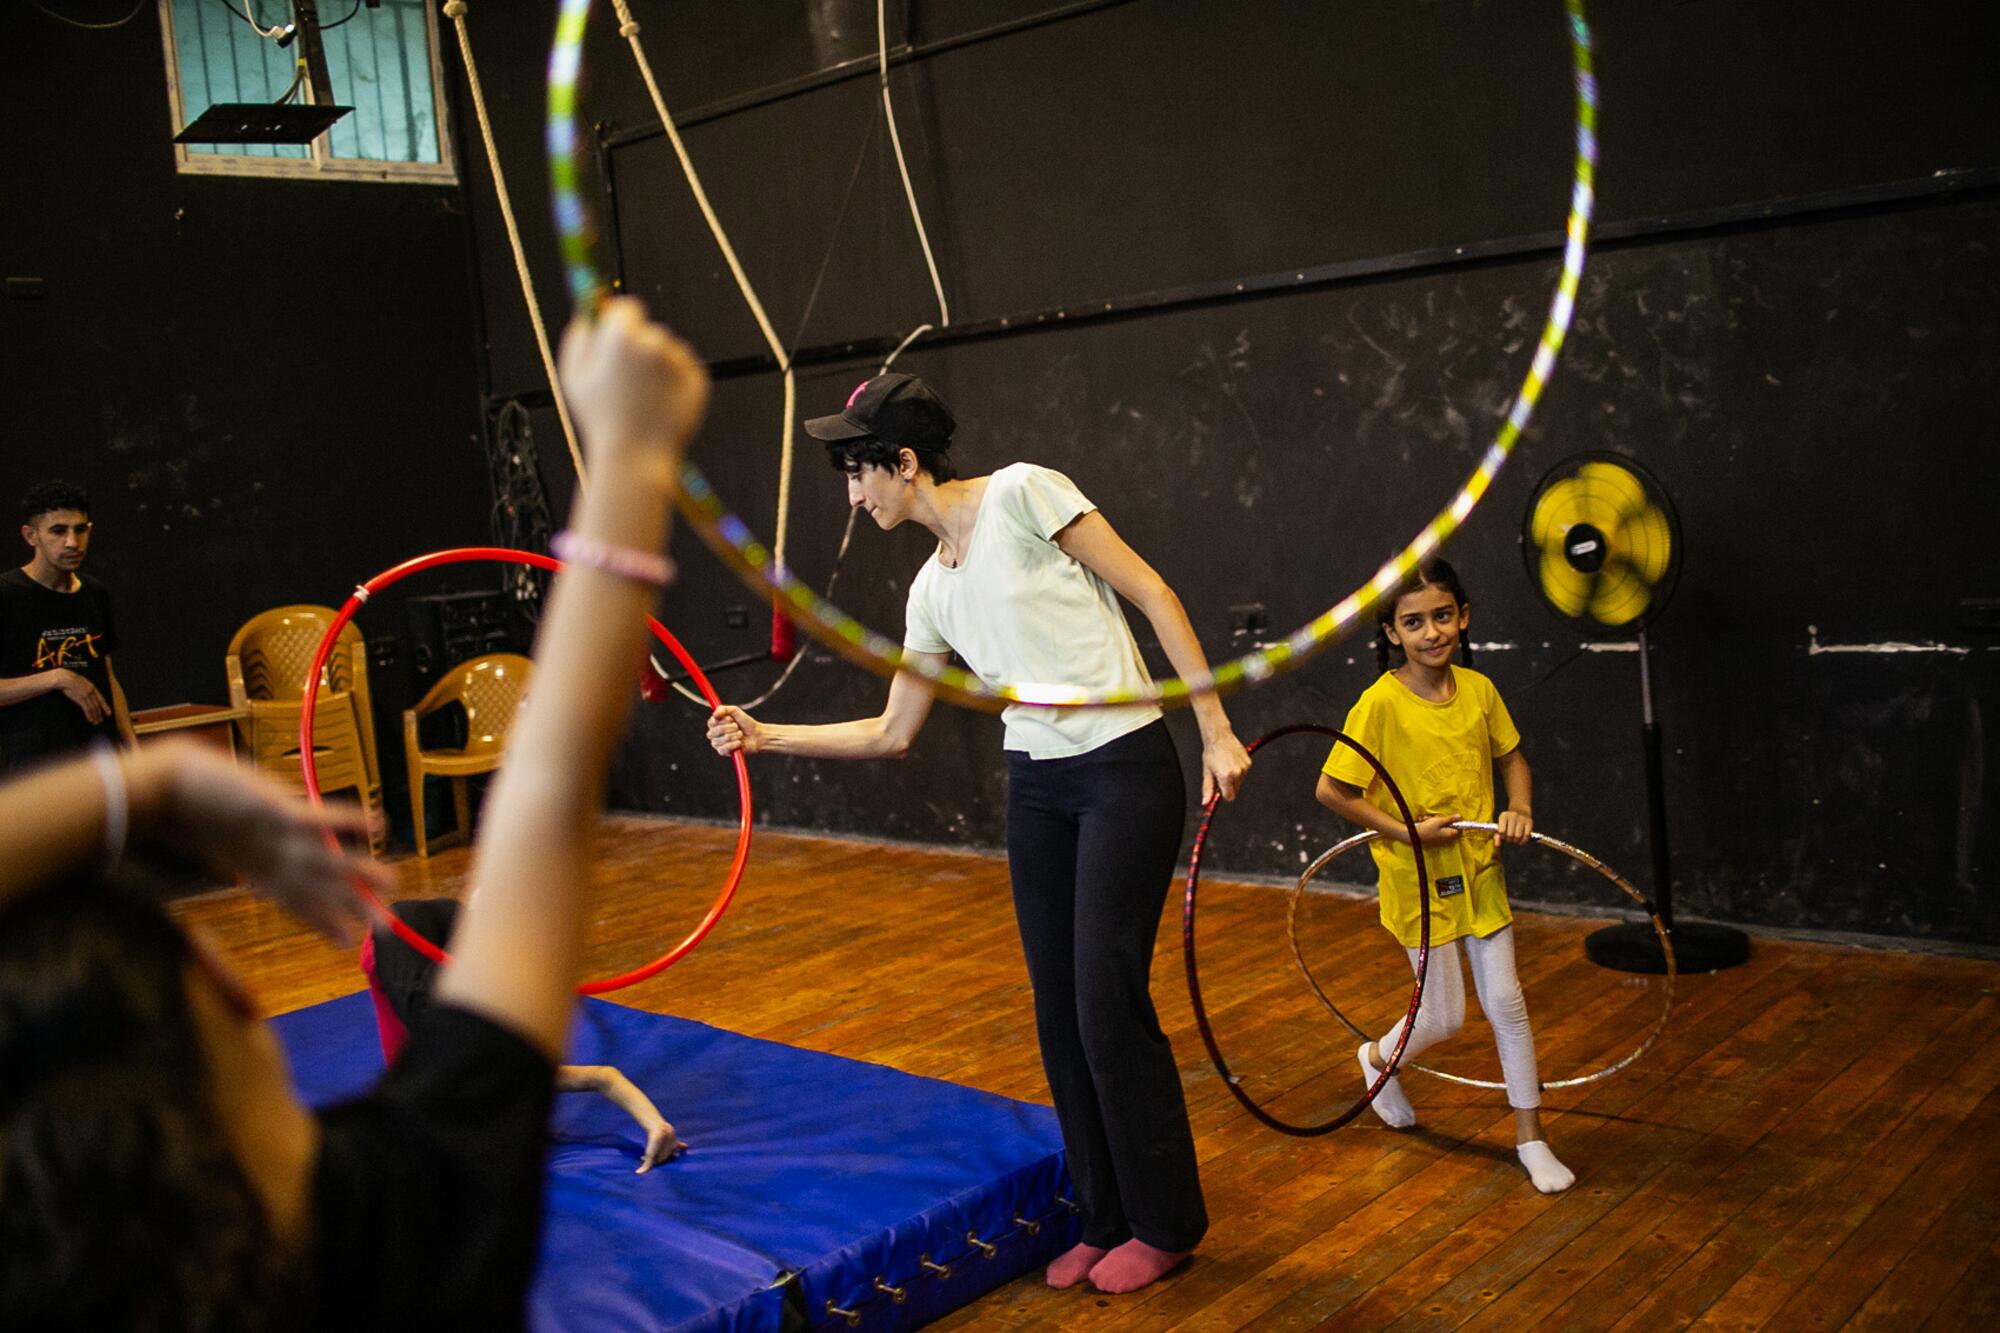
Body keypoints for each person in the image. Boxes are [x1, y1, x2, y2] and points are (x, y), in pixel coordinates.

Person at [0, 296, 709, 1327]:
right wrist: (635, 452)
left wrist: (137, 781)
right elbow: (554, 793)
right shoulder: (395, 1222)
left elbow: (543, 792)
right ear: (234, 1002)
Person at [706, 372, 1252, 1295]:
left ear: (904, 463)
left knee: (1104, 1002)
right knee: (1056, 1011)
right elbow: (891, 729)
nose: (853, 494)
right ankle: (1102, 1213)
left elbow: (1154, 593)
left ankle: (1165, 1223)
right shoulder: (931, 593)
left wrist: (1215, 728)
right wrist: (766, 735)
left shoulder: (1025, 493)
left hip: (1124, 767)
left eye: (858, 473)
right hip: (1037, 787)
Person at [1312, 557, 1573, 1194]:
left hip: (1480, 871)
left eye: (1442, 616)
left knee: (1507, 1002)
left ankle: (1531, 1138)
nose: (1432, 632)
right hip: (1417, 880)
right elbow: (1332, 790)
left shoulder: (1479, 692)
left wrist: (1520, 809)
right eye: (1413, 622)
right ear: (1391, 632)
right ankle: (1376, 1059)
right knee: (1445, 1018)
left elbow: (1514, 760)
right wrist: (1404, 830)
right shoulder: (1378, 705)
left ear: (1463, 617)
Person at [362, 897, 683, 1171]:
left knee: (429, 1014)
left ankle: (492, 919)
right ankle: (494, 921)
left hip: (402, 937)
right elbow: (603, 1076)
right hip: (449, 941)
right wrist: (657, 1124)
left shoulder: (425, 1092)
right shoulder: (506, 1070)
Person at [0, 480, 138, 773]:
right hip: (32, 770)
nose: (72, 542)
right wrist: (59, 678)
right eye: (58, 531)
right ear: (30, 535)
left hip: (97, 760)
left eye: (80, 529)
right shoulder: (7, 594)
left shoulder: (94, 593)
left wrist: (133, 750)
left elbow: (108, 675)